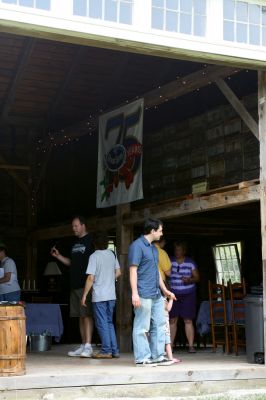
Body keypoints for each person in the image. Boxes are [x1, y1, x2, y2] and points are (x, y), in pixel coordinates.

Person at [128, 217, 176, 367]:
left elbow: (156, 272)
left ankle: (158, 356)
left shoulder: (154, 249)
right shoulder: (137, 246)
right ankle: (142, 358)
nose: (162, 234)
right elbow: (133, 270)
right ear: (152, 231)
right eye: (160, 230)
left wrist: (165, 290)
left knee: (160, 324)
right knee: (142, 325)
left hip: (156, 293)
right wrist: (134, 293)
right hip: (143, 292)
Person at [51, 216, 94, 357]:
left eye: (76, 226)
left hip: (85, 285)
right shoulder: (75, 244)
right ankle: (83, 345)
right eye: (72, 226)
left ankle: (89, 345)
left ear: (83, 225)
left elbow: (95, 264)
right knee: (80, 316)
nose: (73, 228)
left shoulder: (90, 241)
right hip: (74, 285)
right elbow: (71, 263)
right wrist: (58, 256)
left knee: (87, 315)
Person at [81, 230, 121, 359]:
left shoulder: (94, 256)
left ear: (94, 243)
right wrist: (109, 279)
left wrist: (84, 295)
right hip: (111, 295)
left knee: (102, 323)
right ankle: (114, 350)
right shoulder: (111, 254)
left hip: (99, 296)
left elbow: (91, 278)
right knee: (109, 322)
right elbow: (118, 273)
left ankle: (106, 351)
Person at [169, 241, 200, 354]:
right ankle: (170, 346)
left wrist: (189, 280)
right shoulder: (170, 261)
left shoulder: (190, 262)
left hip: (188, 293)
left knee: (188, 319)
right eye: (175, 250)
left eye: (179, 250)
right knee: (172, 320)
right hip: (173, 294)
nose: (177, 252)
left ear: (184, 251)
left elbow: (197, 278)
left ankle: (191, 346)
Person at [164, 296, 181, 363]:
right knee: (167, 341)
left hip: (156, 324)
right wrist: (171, 299)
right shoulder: (163, 300)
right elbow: (168, 308)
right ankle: (170, 358)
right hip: (164, 323)